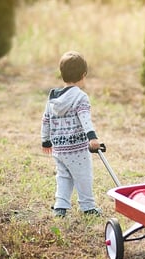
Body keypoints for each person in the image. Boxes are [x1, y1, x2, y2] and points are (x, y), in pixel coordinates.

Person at [41, 51, 102, 218]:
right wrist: (92, 138)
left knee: (63, 176)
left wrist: (45, 141)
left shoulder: (52, 98)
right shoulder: (80, 97)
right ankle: (88, 206)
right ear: (83, 75)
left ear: (62, 75)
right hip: (76, 148)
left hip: (59, 148)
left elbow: (45, 119)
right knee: (83, 175)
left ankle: (60, 206)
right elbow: (85, 119)